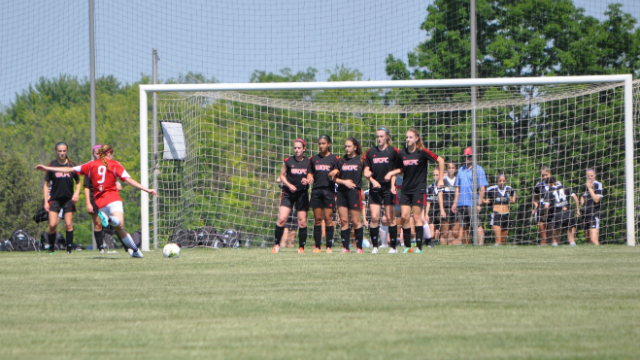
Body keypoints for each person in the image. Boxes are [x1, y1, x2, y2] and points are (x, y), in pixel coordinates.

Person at [36, 144, 157, 258]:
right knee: (120, 224)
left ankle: (135, 251)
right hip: (113, 199)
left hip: (100, 203)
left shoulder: (91, 165)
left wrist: (46, 167)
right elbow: (129, 180)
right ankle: (110, 219)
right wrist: (146, 189)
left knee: (119, 228)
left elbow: (69, 169)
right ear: (109, 154)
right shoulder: (114, 164)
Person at [386, 129, 444, 253]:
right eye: (406, 137)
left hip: (419, 189)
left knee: (418, 218)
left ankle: (419, 247)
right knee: (405, 218)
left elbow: (441, 160)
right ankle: (408, 246)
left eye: (410, 137)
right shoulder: (402, 154)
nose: (408, 139)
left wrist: (440, 179)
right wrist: (392, 183)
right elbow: (398, 170)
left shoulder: (422, 152)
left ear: (417, 138)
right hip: (406, 190)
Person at [84, 145, 128, 254]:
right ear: (93, 154)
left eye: (100, 153)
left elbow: (113, 180)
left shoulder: (108, 166)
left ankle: (127, 246)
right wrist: (88, 203)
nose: (98, 155)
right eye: (96, 153)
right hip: (94, 197)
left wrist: (117, 184)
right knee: (98, 223)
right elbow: (86, 187)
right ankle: (101, 249)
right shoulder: (90, 167)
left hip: (107, 197)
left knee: (117, 223)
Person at [363, 127, 399, 254]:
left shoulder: (393, 151)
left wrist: (393, 184)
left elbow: (399, 169)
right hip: (375, 188)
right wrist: (371, 179)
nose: (379, 139)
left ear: (387, 137)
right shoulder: (371, 151)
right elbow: (366, 170)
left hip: (388, 188)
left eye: (381, 136)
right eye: (377, 136)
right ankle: (375, 246)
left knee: (390, 217)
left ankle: (393, 247)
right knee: (374, 217)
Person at [272, 139, 311, 253]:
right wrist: (289, 185)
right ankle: (276, 245)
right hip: (288, 193)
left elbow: (310, 175)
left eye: (299, 148)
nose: (297, 150)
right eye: (295, 148)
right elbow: (282, 175)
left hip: (302, 194)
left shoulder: (309, 162)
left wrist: (307, 180)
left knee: (302, 221)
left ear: (304, 149)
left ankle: (301, 247)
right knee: (282, 219)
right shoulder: (288, 161)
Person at [43, 142, 82, 254]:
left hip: (68, 199)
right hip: (55, 199)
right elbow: (46, 184)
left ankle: (69, 250)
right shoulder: (52, 165)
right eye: (60, 151)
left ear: (67, 151)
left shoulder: (72, 165)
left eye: (64, 151)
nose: (62, 153)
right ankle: (51, 248)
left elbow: (78, 182)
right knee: (52, 224)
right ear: (56, 151)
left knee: (68, 224)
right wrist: (46, 201)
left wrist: (76, 193)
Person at [329, 137, 365, 253]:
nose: (347, 148)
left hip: (354, 192)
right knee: (344, 221)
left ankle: (359, 247)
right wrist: (343, 181)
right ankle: (346, 247)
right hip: (342, 193)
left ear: (355, 147)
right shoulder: (340, 161)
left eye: (349, 146)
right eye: (345, 146)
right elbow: (333, 178)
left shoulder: (361, 160)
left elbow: (369, 171)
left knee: (356, 221)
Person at [309, 135, 340, 253]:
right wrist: (309, 176)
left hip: (329, 191)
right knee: (317, 219)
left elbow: (340, 170)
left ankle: (328, 247)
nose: (321, 146)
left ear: (329, 144)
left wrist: (336, 170)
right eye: (320, 144)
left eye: (324, 143)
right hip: (316, 191)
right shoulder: (313, 159)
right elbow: (310, 172)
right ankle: (317, 247)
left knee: (328, 219)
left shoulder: (334, 159)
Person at [452, 147, 487, 245]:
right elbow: (457, 188)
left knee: (477, 225)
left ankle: (480, 246)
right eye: (466, 156)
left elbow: (482, 188)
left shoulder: (478, 169)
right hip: (461, 203)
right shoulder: (460, 170)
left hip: (472, 203)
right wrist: (455, 203)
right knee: (464, 226)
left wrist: (479, 204)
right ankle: (467, 246)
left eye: (470, 156)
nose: (468, 158)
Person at [544, 176, 580, 246]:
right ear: (556, 181)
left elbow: (546, 206)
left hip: (557, 214)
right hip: (568, 213)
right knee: (572, 240)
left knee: (555, 240)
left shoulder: (549, 192)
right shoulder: (565, 187)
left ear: (548, 184)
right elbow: (575, 197)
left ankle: (554, 252)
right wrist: (578, 210)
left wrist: (546, 215)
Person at [484, 174, 516, 246]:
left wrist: (513, 199)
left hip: (506, 215)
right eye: (500, 181)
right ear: (497, 181)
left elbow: (514, 193)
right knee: (498, 239)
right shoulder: (492, 189)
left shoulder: (509, 189)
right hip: (497, 214)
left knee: (503, 240)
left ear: (506, 181)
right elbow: (482, 192)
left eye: (503, 181)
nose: (502, 182)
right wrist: (484, 201)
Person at [580, 169, 604, 245]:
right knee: (588, 240)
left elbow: (597, 199)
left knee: (593, 239)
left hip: (594, 214)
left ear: (595, 175)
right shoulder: (585, 186)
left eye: (591, 176)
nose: (589, 177)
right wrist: (583, 206)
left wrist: (590, 188)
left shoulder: (598, 185)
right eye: (588, 176)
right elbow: (582, 196)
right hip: (585, 214)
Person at [532, 166, 554, 245]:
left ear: (550, 174)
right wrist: (536, 207)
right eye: (543, 175)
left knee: (552, 235)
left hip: (552, 211)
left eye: (546, 175)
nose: (544, 177)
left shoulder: (556, 184)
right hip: (541, 211)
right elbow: (534, 199)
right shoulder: (539, 185)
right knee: (543, 236)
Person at [425, 168, 446, 246]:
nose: (436, 176)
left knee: (440, 234)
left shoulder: (445, 187)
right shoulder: (430, 188)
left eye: (437, 175)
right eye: (434, 175)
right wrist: (426, 214)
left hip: (441, 211)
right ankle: (429, 243)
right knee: (432, 234)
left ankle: (437, 244)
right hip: (432, 211)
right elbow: (428, 202)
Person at [440, 163, 458, 245]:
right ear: (447, 169)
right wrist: (442, 209)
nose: (451, 169)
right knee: (444, 232)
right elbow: (440, 195)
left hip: (455, 209)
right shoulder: (443, 180)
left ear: (455, 169)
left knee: (455, 233)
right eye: (449, 167)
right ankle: (443, 248)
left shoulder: (458, 180)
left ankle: (452, 249)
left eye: (453, 167)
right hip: (446, 208)